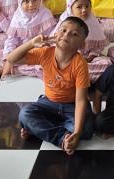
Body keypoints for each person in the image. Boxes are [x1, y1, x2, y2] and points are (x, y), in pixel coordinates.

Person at [14, 17, 95, 153]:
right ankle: (62, 138)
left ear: (82, 44)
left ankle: (39, 129)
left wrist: (77, 133)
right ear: (55, 34)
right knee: (25, 114)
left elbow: (81, 100)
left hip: (72, 105)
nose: (66, 35)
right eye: (63, 30)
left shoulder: (80, 63)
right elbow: (12, 59)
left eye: (74, 34)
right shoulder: (45, 53)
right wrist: (31, 43)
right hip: (49, 102)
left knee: (86, 130)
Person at [0, 0, 56, 78]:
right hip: (22, 52)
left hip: (40, 52)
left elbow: (51, 36)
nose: (31, 4)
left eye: (35, 0)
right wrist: (9, 59)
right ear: (20, 2)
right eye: (26, 1)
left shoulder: (45, 14)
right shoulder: (17, 17)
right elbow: (11, 40)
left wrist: (44, 47)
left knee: (45, 63)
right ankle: (13, 67)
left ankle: (15, 70)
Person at [59, 0, 111, 82]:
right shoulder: (65, 23)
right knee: (58, 64)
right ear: (70, 8)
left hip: (88, 59)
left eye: (87, 6)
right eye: (79, 7)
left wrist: (91, 56)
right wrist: (77, 58)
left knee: (106, 64)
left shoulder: (93, 22)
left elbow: (97, 47)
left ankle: (74, 74)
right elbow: (59, 48)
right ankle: (76, 74)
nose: (84, 10)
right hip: (69, 58)